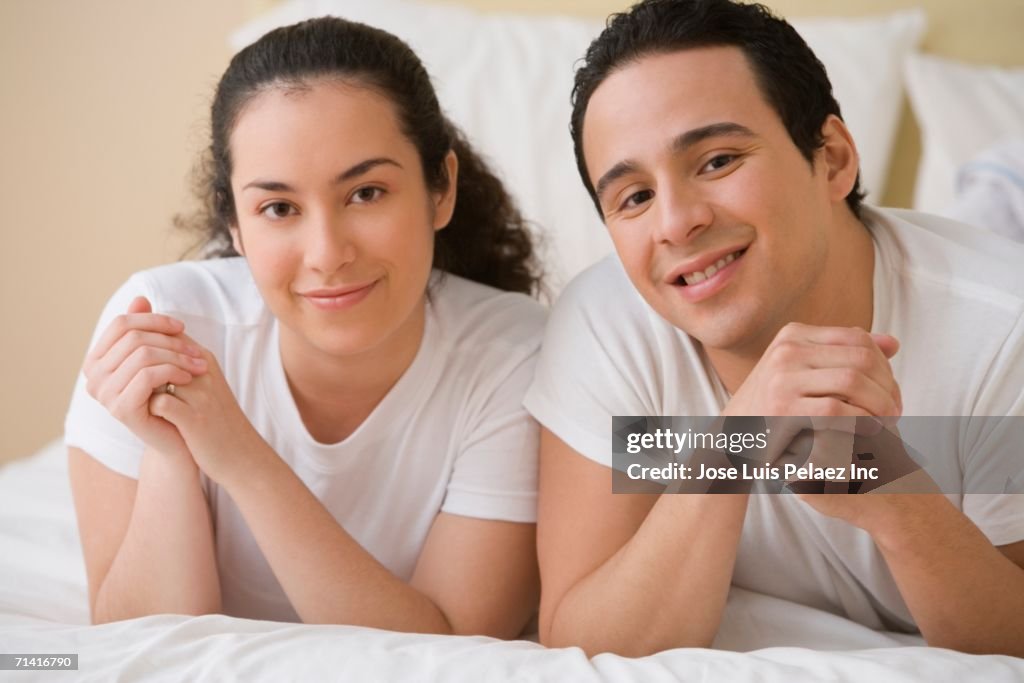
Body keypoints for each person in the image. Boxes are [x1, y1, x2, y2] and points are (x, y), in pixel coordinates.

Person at [525, 0, 1024, 657]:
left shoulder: (1000, 333)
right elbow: (580, 635)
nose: (675, 223)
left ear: (834, 160)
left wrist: (901, 504)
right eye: (635, 197)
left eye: (717, 160)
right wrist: (733, 444)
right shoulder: (606, 328)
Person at [65, 16, 544, 637]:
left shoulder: (513, 353)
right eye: (279, 208)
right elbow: (135, 644)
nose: (327, 254)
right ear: (235, 226)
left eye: (367, 193)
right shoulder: (160, 324)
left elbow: (453, 646)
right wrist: (172, 453)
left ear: (440, 188)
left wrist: (241, 458)